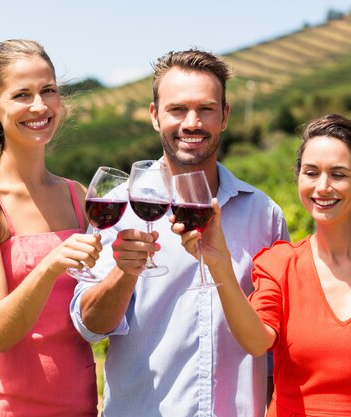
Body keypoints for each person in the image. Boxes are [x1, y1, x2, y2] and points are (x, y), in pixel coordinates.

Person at [175, 114, 351, 416]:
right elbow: (256, 341)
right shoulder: (279, 264)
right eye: (311, 173)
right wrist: (219, 263)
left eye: (338, 174)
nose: (323, 187)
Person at [70, 49, 289, 416]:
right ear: (155, 116)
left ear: (224, 116)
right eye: (177, 110)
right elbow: (90, 326)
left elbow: (276, 344)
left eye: (205, 109)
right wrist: (124, 272)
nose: (192, 122)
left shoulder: (263, 215)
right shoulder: (120, 209)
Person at [0, 39, 100, 417]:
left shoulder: (76, 196)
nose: (39, 106)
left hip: (78, 403)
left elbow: (91, 310)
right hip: (4, 407)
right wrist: (49, 265)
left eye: (48, 91)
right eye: (22, 95)